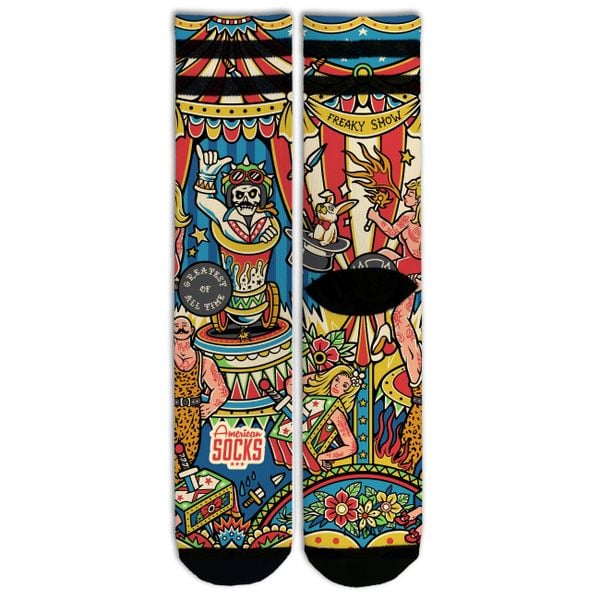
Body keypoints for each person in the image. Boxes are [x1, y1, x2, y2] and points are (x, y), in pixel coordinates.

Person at [367, 178, 422, 397]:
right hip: (407, 267)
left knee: (400, 322)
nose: (405, 196)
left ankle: (416, 380)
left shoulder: (410, 219)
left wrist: (375, 217)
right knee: (381, 258)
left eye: (410, 194)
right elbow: (391, 233)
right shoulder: (408, 217)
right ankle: (382, 326)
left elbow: (391, 232)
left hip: (411, 271)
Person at [173, 316, 229, 477]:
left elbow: (221, 389)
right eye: (176, 325)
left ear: (191, 330)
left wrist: (212, 405)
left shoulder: (204, 362)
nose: (180, 328)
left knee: (185, 462)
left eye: (184, 325)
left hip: (191, 417)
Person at [301, 365, 362, 473]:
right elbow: (290, 383)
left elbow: (351, 447)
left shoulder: (336, 413)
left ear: (348, 392)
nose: (337, 385)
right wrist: (323, 375)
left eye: (344, 385)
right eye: (336, 379)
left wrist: (323, 457)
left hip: (309, 456)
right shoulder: (313, 399)